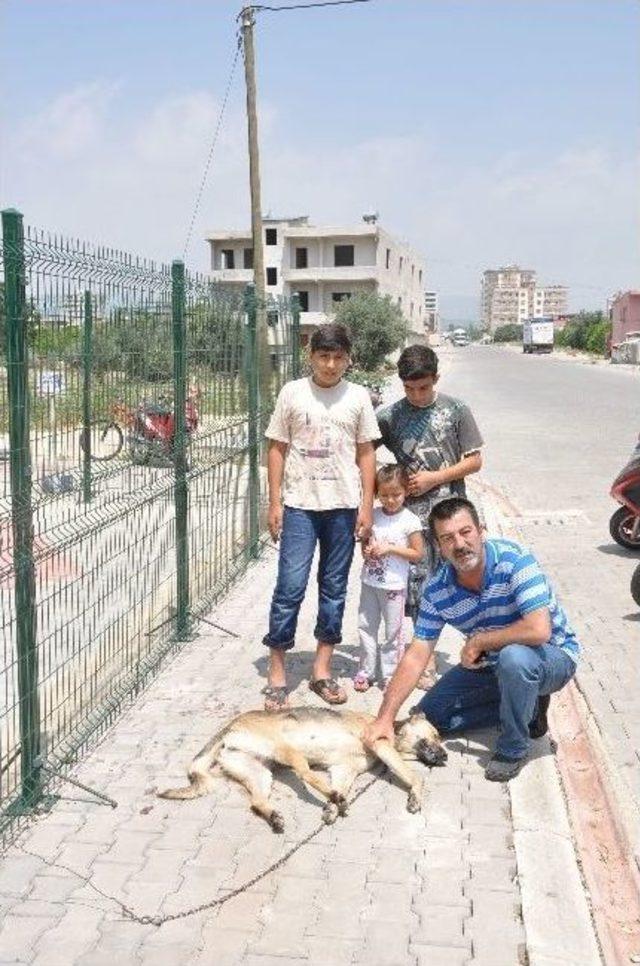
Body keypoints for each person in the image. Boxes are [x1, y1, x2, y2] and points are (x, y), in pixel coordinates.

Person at [364, 497, 580, 781]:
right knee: (428, 716)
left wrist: (478, 642)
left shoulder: (514, 559)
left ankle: (514, 746)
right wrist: (385, 718)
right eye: (447, 538)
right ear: (439, 547)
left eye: (465, 532)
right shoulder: (436, 590)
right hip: (491, 664)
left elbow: (539, 630)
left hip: (550, 657)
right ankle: (527, 710)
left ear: (481, 531)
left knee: (514, 658)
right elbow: (417, 655)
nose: (459, 544)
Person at [262, 322, 379, 711]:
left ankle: (322, 670)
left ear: (348, 359)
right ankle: (277, 673)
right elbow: (276, 448)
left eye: (338, 357)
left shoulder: (359, 397)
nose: (330, 365)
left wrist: (366, 506)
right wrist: (274, 502)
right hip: (298, 506)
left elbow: (366, 453)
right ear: (310, 357)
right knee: (290, 587)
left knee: (334, 589)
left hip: (343, 508)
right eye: (323, 356)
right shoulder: (292, 393)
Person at [376, 345, 484, 689]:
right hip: (411, 521)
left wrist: (434, 478)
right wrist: (386, 482)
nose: (417, 395)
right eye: (409, 388)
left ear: (435, 379)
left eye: (423, 387)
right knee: (421, 589)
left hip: (452, 516)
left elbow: (475, 460)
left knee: (467, 580)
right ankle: (426, 662)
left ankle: (482, 647)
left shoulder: (456, 410)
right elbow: (364, 451)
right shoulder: (390, 416)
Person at [354, 464, 424, 693]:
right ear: (376, 494)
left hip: (394, 586)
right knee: (366, 626)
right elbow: (365, 542)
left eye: (396, 495)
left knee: (393, 632)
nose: (390, 500)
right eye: (384, 495)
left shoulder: (410, 520)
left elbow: (417, 554)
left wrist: (391, 549)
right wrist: (366, 549)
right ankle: (366, 670)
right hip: (370, 582)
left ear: (406, 492)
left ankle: (391, 674)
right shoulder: (373, 515)